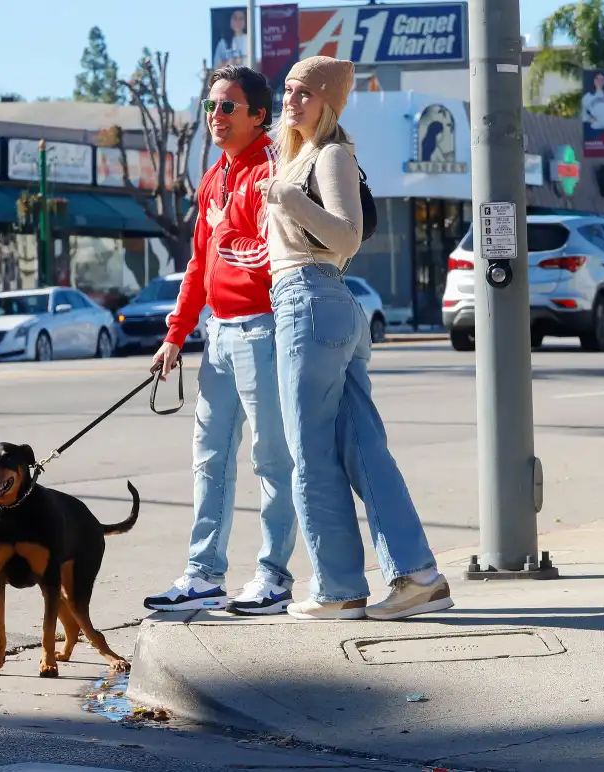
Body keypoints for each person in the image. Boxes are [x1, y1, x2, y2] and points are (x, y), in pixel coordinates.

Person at [256, 55, 454, 621]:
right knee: (362, 447)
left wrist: (289, 199)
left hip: (311, 299)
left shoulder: (331, 154)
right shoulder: (297, 156)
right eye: (288, 90)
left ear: (328, 102)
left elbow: (346, 237)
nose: (291, 101)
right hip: (318, 305)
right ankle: (417, 576)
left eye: (303, 93)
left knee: (309, 456)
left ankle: (339, 589)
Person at [143, 65, 298, 617]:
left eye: (228, 106)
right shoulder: (215, 178)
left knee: (273, 461)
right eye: (211, 106)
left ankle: (274, 577)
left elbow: (268, 257)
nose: (216, 116)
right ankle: (204, 574)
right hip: (219, 335)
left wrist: (228, 240)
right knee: (209, 459)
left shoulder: (271, 171)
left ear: (260, 115)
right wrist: (175, 334)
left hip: (264, 328)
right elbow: (199, 264)